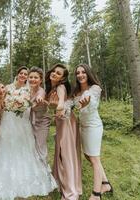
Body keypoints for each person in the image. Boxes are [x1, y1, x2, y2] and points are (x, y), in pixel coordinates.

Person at [0, 66, 57, 200]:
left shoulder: (30, 89)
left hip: (23, 124)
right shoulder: (8, 88)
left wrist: (28, 103)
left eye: (26, 74)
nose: (23, 75)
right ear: (17, 74)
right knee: (8, 148)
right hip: (9, 123)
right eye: (21, 73)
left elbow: (37, 98)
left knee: (25, 148)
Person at [73, 64, 113, 200]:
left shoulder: (95, 88)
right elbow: (74, 108)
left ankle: (96, 194)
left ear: (88, 73)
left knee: (95, 159)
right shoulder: (76, 92)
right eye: (77, 73)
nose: (80, 75)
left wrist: (84, 105)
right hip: (82, 126)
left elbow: (92, 107)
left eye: (83, 72)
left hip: (93, 126)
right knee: (88, 156)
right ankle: (106, 184)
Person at [45, 63, 82, 200]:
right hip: (62, 122)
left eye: (58, 73)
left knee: (66, 154)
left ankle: (71, 192)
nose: (54, 73)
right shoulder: (53, 87)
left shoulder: (60, 87)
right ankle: (61, 182)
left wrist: (59, 108)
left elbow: (61, 102)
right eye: (54, 71)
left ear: (62, 79)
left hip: (66, 121)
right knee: (62, 152)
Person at [28, 67, 51, 163]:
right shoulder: (27, 90)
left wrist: (39, 99)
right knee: (31, 146)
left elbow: (40, 97)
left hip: (42, 122)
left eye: (36, 77)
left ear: (40, 80)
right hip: (30, 121)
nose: (33, 79)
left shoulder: (41, 91)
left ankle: (44, 170)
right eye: (31, 77)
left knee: (40, 145)